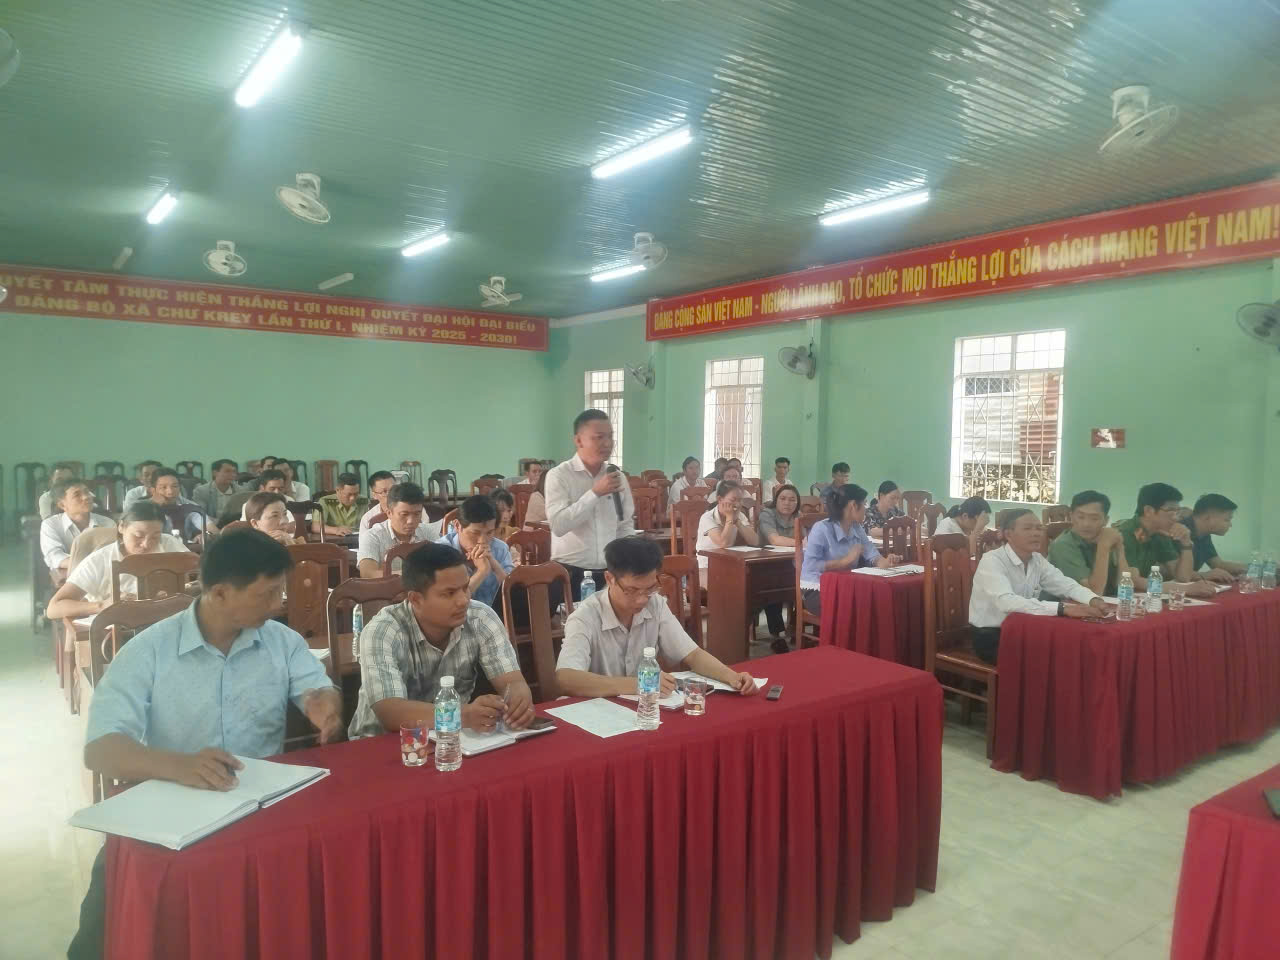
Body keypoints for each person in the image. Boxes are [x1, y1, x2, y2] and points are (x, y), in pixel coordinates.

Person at [67, 529, 341, 960]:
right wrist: (179, 766)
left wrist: (324, 705)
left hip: (260, 807)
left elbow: (318, 688)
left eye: (280, 591)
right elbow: (100, 749)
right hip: (171, 811)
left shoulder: (281, 641)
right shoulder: (148, 651)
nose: (279, 604)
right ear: (220, 593)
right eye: (267, 594)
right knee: (105, 927)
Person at [347, 543, 533, 740]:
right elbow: (390, 711)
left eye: (465, 588)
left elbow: (513, 681)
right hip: (382, 744)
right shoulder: (383, 630)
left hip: (453, 742)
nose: (463, 600)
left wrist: (519, 701)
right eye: (449, 593)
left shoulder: (480, 617)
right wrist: (463, 715)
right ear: (416, 599)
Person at [555, 537, 759, 698]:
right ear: (610, 579)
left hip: (646, 709)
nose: (642, 599)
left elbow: (692, 654)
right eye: (632, 590)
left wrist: (732, 677)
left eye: (650, 588)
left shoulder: (656, 604)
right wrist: (639, 683)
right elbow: (566, 678)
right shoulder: (585, 617)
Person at [969, 510, 1108, 664]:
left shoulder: (1037, 560)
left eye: (1039, 528)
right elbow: (1006, 602)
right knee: (1051, 658)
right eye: (1028, 528)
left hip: (1024, 629)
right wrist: (1063, 608)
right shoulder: (992, 561)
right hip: (991, 636)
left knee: (1071, 648)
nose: (1036, 533)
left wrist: (1093, 599)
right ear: (1009, 534)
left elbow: (1065, 585)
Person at [545, 409, 637, 601]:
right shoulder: (559, 475)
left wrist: (626, 562)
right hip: (569, 573)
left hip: (610, 573)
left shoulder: (617, 477)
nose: (607, 443)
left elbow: (625, 524)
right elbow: (558, 525)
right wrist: (595, 493)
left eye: (610, 436)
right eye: (599, 437)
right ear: (579, 440)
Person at [46, 501, 190, 620]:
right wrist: (102, 605)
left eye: (155, 536)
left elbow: (193, 576)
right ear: (121, 527)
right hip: (119, 630)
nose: (146, 544)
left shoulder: (168, 543)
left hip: (166, 620)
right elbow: (54, 608)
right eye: (138, 536)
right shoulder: (100, 560)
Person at [799, 484, 902, 615]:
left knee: (878, 598)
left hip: (846, 586)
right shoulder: (821, 528)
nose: (865, 509)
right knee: (857, 605)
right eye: (864, 504)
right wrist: (845, 561)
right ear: (853, 505)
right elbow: (811, 565)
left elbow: (872, 555)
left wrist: (886, 562)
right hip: (818, 589)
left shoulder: (857, 528)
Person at [1114, 483, 1215, 597]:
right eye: (1171, 511)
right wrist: (1184, 589)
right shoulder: (1126, 533)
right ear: (1148, 510)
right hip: (1111, 597)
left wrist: (1186, 542)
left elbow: (1183, 577)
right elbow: (1133, 580)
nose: (1176, 518)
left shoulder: (1160, 532)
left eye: (1178, 512)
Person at [1047, 490, 1130, 596]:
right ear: (1071, 516)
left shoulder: (1106, 537)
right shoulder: (1062, 545)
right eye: (1081, 517)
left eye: (1094, 519)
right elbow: (1093, 592)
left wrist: (1119, 548)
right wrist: (1103, 546)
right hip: (1061, 605)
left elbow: (1124, 587)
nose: (1086, 524)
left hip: (1104, 603)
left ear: (1106, 520)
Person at [443, 495, 514, 608]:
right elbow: (452, 602)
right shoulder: (441, 551)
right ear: (457, 526)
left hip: (494, 615)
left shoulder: (500, 548)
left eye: (489, 533)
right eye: (475, 533)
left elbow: (513, 594)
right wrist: (482, 571)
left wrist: (494, 565)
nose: (482, 541)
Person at [357, 481, 440, 577]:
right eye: (404, 514)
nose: (410, 521)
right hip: (388, 587)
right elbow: (367, 573)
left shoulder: (428, 532)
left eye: (417, 514)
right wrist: (409, 575)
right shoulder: (372, 536)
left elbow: (443, 566)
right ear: (389, 513)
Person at [758, 483, 801, 652]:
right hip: (766, 565)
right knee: (774, 588)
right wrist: (800, 542)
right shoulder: (767, 514)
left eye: (792, 500)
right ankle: (777, 635)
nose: (787, 503)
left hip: (791, 563)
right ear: (776, 501)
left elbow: (806, 539)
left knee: (806, 585)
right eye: (783, 499)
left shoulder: (799, 516)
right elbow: (774, 540)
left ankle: (795, 627)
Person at [39, 479, 113, 573]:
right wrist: (90, 564)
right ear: (62, 505)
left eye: (87, 492)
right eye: (77, 495)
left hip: (103, 574)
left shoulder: (107, 523)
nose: (86, 497)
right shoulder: (51, 524)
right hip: (67, 575)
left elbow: (113, 554)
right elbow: (54, 556)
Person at [696, 481, 760, 586]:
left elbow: (755, 541)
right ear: (720, 499)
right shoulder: (707, 517)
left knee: (751, 583)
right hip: (706, 566)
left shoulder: (740, 516)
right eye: (733, 500)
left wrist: (737, 521)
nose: (737, 504)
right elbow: (723, 543)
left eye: (740, 500)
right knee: (724, 587)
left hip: (730, 564)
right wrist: (730, 518)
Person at [1185, 494, 1246, 580]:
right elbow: (1173, 574)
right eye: (1227, 519)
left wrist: (1253, 568)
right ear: (1207, 517)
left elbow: (1217, 564)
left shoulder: (1204, 534)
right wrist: (1205, 575)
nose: (1230, 525)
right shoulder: (1179, 531)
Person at [314, 473, 368, 538]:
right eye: (349, 494)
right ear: (337, 490)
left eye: (356, 494)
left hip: (358, 539)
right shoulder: (325, 502)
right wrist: (336, 530)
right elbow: (315, 527)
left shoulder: (364, 501)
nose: (352, 498)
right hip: (335, 541)